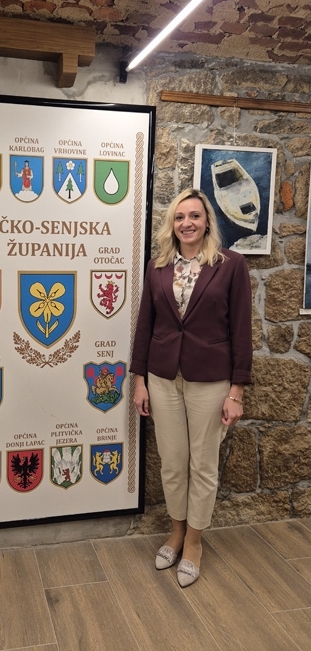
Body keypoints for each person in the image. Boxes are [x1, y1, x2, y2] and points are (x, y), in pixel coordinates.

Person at [130, 187, 252, 587]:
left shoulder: (230, 265)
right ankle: (177, 532)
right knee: (172, 462)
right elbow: (146, 325)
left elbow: (241, 331)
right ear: (172, 224)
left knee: (202, 464)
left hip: (211, 380)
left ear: (207, 222)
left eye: (195, 216)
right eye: (180, 217)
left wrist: (236, 392)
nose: (187, 223)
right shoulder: (157, 267)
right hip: (163, 377)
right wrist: (139, 379)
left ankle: (195, 543)